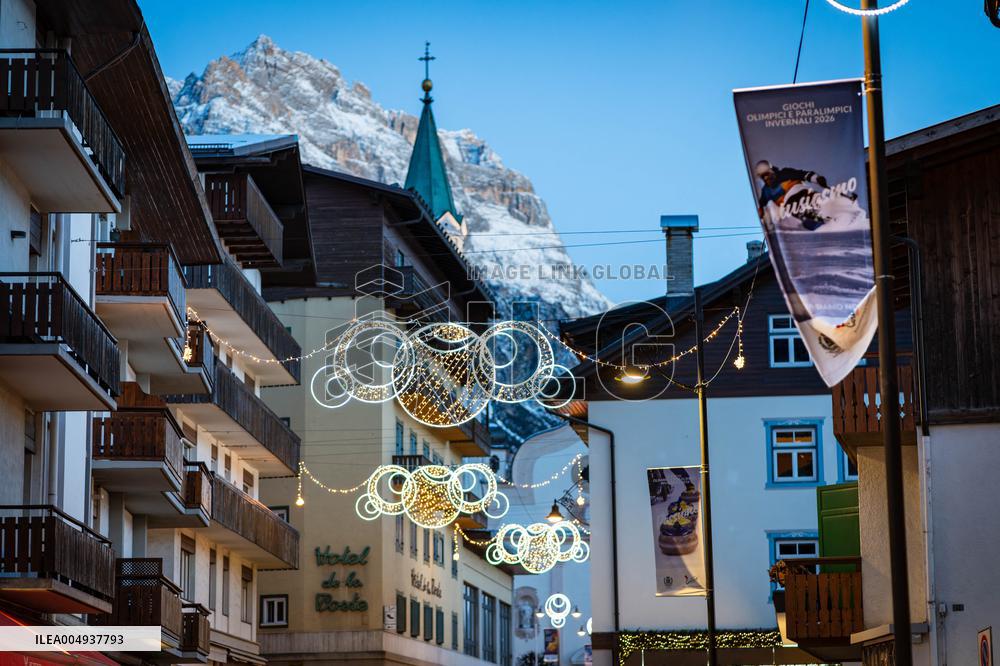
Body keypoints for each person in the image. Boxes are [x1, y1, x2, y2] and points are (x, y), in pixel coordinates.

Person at [754, 160, 828, 230]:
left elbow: (803, 174)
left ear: (771, 170)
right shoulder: (766, 191)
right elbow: (762, 204)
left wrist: (816, 178)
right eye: (763, 177)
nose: (765, 178)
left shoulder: (784, 173)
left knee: (808, 202)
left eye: (767, 174)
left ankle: (826, 208)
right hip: (790, 206)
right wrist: (761, 213)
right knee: (793, 211)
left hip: (801, 192)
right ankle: (815, 223)